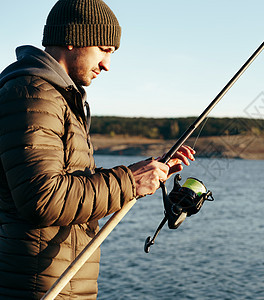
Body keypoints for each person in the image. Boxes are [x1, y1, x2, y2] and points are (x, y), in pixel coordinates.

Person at [0, 0, 195, 298]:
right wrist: (129, 180)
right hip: (36, 287)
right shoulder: (33, 95)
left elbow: (73, 186)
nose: (107, 64)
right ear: (73, 39)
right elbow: (43, 198)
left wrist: (145, 173)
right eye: (104, 50)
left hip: (60, 283)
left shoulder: (57, 98)